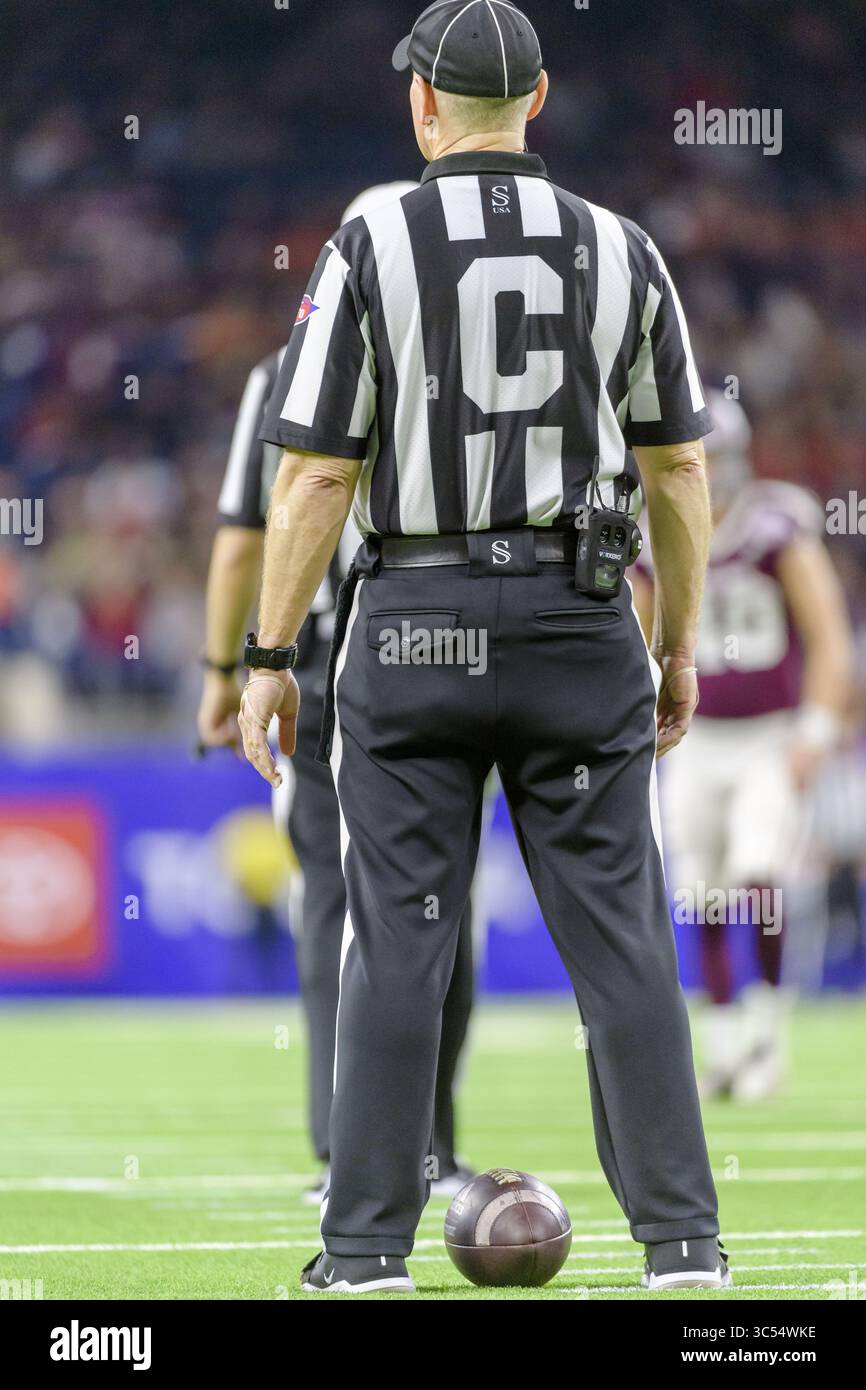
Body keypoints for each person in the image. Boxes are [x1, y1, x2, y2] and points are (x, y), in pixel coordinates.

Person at [238, 0, 726, 1295]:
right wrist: (676, 644)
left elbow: (313, 476)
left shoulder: (369, 241)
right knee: (621, 940)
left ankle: (362, 1252)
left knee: (396, 944)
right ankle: (681, 1245)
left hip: (415, 619)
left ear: (421, 103)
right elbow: (678, 469)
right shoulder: (624, 247)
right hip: (578, 619)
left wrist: (268, 653)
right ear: (538, 99)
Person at [198, 183, 477, 1205]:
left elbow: (246, 534)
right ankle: (430, 1143)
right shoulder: (473, 355)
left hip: (327, 662)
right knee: (443, 903)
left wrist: (226, 669)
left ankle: (350, 1149)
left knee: (339, 901)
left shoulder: (285, 369)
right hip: (460, 648)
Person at [632, 390, 854, 1100]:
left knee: (760, 875)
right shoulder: (656, 532)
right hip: (693, 738)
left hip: (767, 736)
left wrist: (816, 728)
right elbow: (635, 641)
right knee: (701, 892)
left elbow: (827, 633)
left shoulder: (774, 525)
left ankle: (765, 1035)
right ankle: (725, 1044)